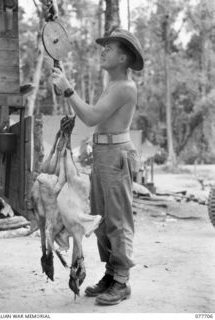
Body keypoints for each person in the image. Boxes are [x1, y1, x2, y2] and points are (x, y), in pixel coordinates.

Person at [52, 28, 144, 306]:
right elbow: (92, 116)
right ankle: (111, 274)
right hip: (104, 153)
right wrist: (67, 88)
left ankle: (122, 280)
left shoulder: (126, 87)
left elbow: (91, 116)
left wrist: (68, 89)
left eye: (110, 48)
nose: (103, 51)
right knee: (101, 220)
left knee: (118, 220)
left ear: (124, 58)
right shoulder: (112, 85)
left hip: (116, 154)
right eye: (104, 47)